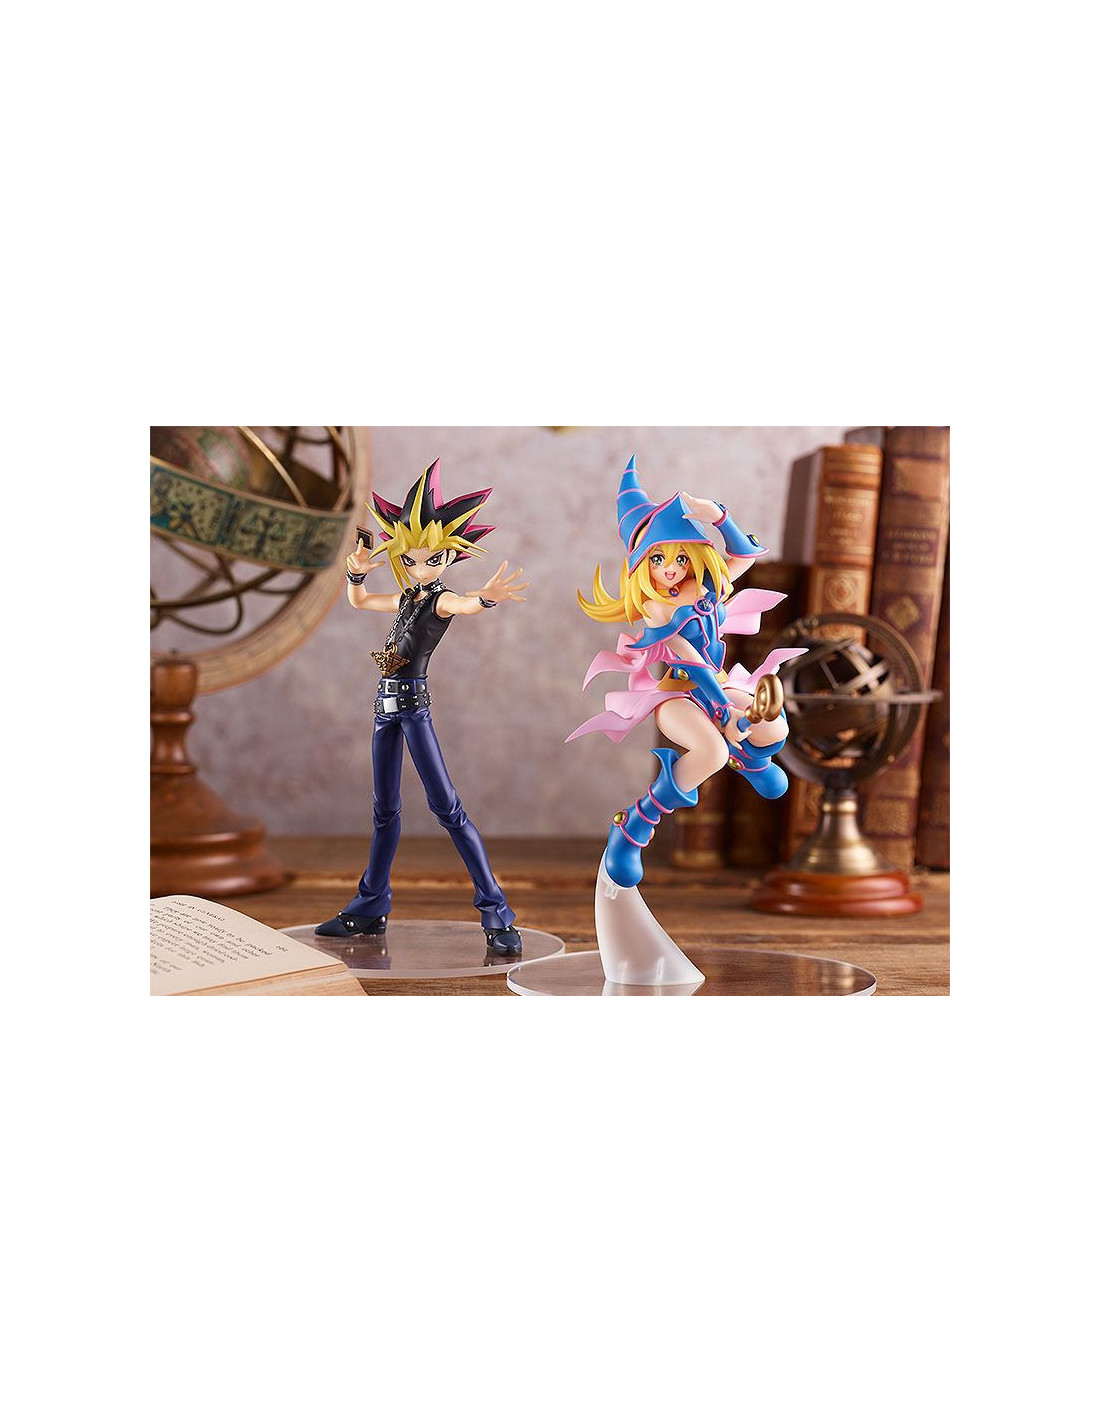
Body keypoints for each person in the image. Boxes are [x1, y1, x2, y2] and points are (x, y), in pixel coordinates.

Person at [315, 458, 529, 952]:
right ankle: (370, 906)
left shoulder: (438, 600)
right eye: (410, 559)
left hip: (413, 709)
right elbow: (360, 602)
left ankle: (497, 914)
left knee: (447, 808)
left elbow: (464, 605)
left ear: (450, 556)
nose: (418, 567)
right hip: (384, 709)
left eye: (431, 560)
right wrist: (354, 573)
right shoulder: (409, 598)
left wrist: (485, 598)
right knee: (384, 810)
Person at [568, 455, 805, 888]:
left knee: (773, 728)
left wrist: (719, 516)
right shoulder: (657, 608)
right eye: (657, 559)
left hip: (720, 684)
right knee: (709, 753)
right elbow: (691, 662)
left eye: (679, 557)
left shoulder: (708, 586)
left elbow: (744, 553)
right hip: (676, 694)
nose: (670, 568)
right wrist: (724, 712)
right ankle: (634, 826)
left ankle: (748, 758)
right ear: (641, 565)